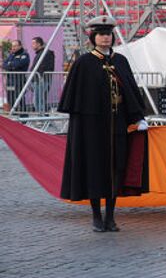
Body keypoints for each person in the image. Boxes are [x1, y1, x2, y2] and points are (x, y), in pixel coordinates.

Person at [59, 16, 148, 232]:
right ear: (93, 37)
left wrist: (138, 117)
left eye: (108, 34)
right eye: (101, 34)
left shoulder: (120, 61)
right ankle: (96, 216)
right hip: (92, 126)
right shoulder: (83, 63)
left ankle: (111, 216)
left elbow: (130, 91)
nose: (105, 38)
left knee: (116, 169)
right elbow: (76, 99)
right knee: (95, 169)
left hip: (118, 124)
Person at [2, 40, 30, 112]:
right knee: (10, 97)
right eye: (12, 46)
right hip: (10, 81)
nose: (13, 48)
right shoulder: (11, 55)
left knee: (19, 98)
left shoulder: (24, 55)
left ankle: (23, 116)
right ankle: (13, 115)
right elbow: (4, 65)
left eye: (15, 46)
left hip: (19, 81)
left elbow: (18, 65)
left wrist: (10, 64)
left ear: (20, 46)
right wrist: (10, 65)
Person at [30, 37, 55, 113]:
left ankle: (42, 117)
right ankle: (41, 116)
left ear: (39, 44)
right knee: (37, 100)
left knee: (39, 100)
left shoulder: (47, 53)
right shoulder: (39, 53)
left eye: (33, 43)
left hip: (42, 80)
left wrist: (39, 76)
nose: (32, 45)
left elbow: (48, 67)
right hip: (37, 80)